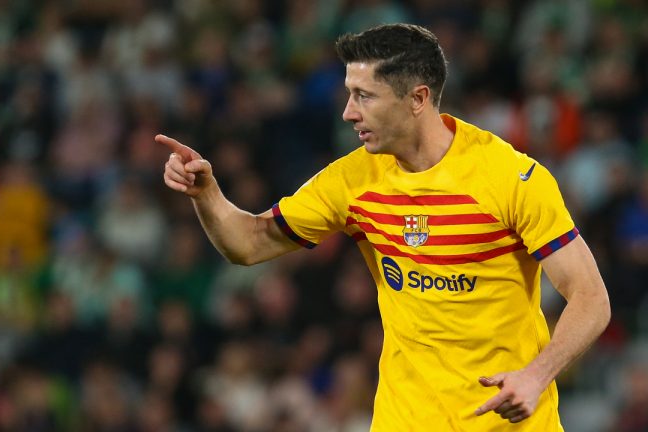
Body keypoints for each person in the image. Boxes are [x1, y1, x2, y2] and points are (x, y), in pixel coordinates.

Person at [157, 23, 610, 431]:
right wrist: (207, 195)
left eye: (364, 96)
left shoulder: (510, 179)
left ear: (418, 98)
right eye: (350, 94)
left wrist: (535, 376)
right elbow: (249, 244)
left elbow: (591, 298)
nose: (348, 113)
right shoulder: (354, 179)